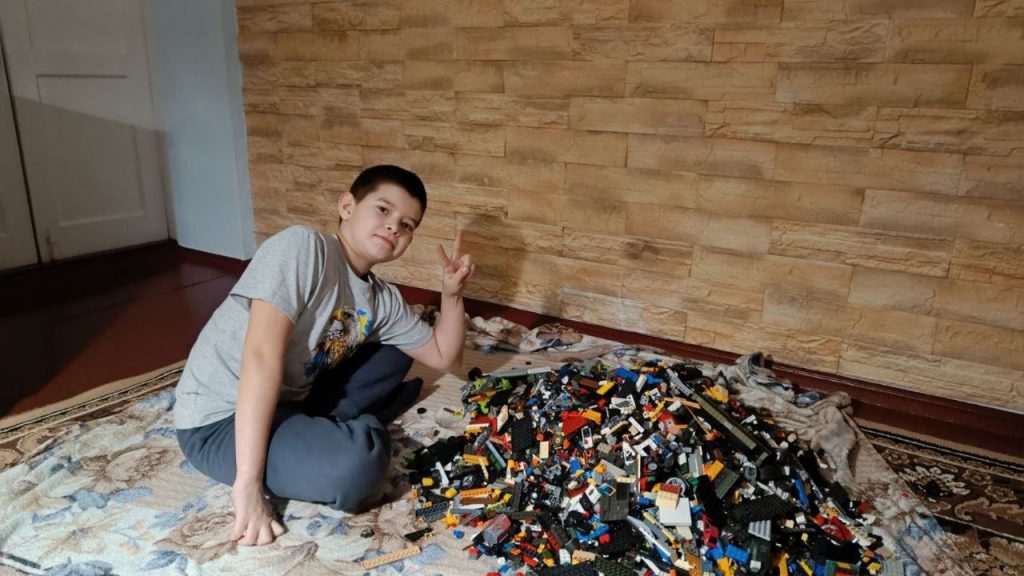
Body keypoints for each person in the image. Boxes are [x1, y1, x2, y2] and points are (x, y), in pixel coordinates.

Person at [173, 164, 474, 546]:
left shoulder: (383, 298)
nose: (394, 226)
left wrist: (452, 294)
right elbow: (261, 356)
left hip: (289, 400)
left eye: (407, 224)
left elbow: (445, 357)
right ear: (347, 206)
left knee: (396, 354)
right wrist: (247, 483)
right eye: (383, 209)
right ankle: (353, 430)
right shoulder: (303, 248)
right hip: (219, 421)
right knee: (357, 467)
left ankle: (320, 429)